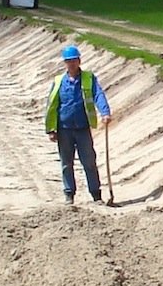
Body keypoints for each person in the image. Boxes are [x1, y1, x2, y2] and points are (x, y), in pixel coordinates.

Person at [44, 44, 112, 204]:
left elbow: (98, 95)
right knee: (66, 164)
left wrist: (105, 112)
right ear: (65, 63)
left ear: (79, 60)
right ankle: (69, 194)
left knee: (89, 162)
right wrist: (51, 130)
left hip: (82, 129)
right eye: (68, 61)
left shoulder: (89, 78)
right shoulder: (59, 81)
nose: (72, 63)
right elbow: (51, 106)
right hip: (64, 129)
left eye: (74, 60)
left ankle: (96, 195)